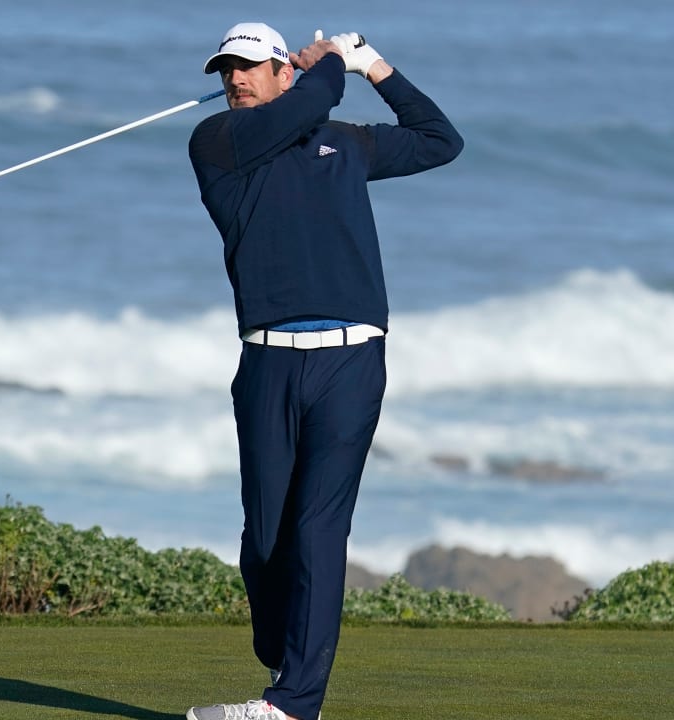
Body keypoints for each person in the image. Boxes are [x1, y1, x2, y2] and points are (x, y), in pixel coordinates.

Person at [185, 22, 463, 720]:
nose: (235, 80)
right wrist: (331, 62)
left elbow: (439, 139)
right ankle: (285, 651)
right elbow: (307, 107)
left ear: (282, 70)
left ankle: (292, 703)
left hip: (350, 360)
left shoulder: (346, 142)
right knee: (266, 540)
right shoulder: (218, 144)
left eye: (250, 67)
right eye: (227, 71)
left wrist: (372, 65)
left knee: (317, 530)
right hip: (267, 365)